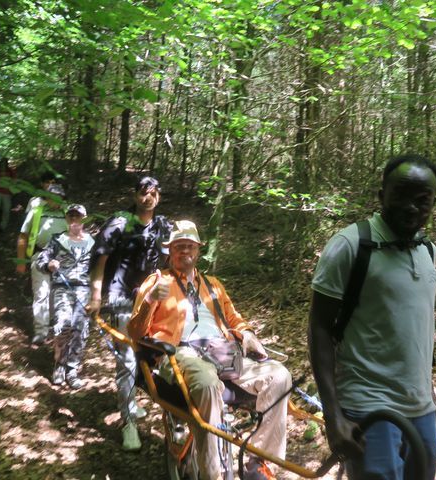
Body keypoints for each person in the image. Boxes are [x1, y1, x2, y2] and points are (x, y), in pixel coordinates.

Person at [308, 154, 436, 480]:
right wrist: (334, 416)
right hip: (368, 409)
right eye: (401, 194)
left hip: (420, 411)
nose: (411, 207)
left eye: (423, 200)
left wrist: (433, 400)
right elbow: (319, 328)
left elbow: (416, 334)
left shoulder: (427, 251)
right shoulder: (350, 245)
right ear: (382, 195)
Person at [128, 220, 292, 480]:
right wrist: (149, 302)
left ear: (198, 250)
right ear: (170, 250)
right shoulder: (157, 281)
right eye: (179, 246)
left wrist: (247, 334)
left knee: (280, 376)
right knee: (206, 383)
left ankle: (258, 464)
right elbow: (135, 333)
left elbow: (235, 318)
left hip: (222, 350)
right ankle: (213, 473)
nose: (185, 252)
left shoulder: (213, 285)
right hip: (181, 352)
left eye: (190, 246)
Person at [89, 176, 172, 451]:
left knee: (151, 357)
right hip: (121, 299)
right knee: (126, 360)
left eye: (153, 193)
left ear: (158, 197)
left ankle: (135, 405)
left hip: (152, 301)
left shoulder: (163, 226)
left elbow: (173, 260)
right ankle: (128, 423)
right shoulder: (120, 222)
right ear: (135, 195)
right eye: (143, 192)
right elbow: (100, 259)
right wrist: (96, 297)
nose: (148, 197)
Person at [36, 204, 95, 389]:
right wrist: (49, 265)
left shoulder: (93, 242)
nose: (74, 220)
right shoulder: (57, 240)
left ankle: (72, 369)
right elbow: (40, 261)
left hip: (84, 290)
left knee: (80, 327)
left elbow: (100, 268)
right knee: (63, 324)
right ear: (67, 218)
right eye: (71, 216)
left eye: (78, 216)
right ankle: (59, 364)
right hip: (62, 287)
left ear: (84, 219)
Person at [16, 183, 67, 345]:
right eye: (53, 197)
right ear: (47, 198)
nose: (56, 200)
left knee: (56, 294)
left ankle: (52, 325)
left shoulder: (68, 214)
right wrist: (21, 261)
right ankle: (40, 331)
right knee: (41, 293)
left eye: (60, 197)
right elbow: (23, 236)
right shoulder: (36, 211)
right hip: (39, 256)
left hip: (62, 260)